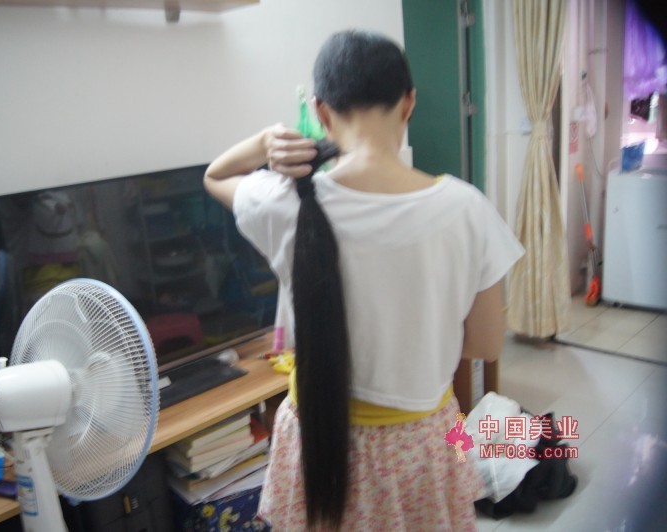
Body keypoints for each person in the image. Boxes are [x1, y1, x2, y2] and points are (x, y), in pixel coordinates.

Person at [204, 29, 524, 531]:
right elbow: (484, 343)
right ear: (409, 103)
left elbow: (215, 176)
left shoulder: (283, 201)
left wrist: (267, 142)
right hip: (423, 444)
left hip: (316, 439)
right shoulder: (467, 209)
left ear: (321, 112)